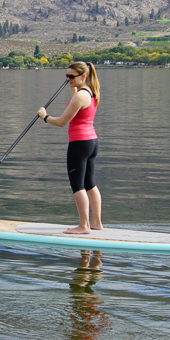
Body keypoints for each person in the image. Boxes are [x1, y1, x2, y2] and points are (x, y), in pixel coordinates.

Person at [38, 61, 103, 238]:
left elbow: (61, 122)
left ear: (83, 76)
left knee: (77, 185)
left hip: (79, 144)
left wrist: (45, 117)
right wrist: (72, 85)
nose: (68, 79)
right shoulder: (91, 91)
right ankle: (96, 222)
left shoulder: (80, 97)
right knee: (90, 183)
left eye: (71, 77)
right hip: (91, 142)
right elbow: (76, 98)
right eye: (66, 76)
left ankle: (84, 225)